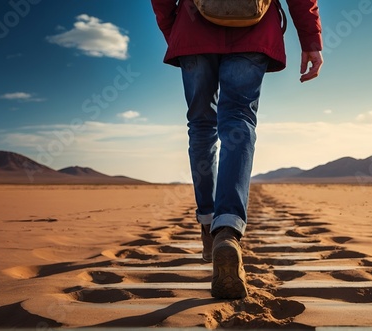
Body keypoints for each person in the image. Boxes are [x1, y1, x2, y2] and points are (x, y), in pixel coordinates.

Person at [151, 0, 323, 299]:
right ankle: (227, 230)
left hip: (193, 28)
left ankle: (208, 221)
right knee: (239, 121)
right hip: (253, 29)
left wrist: (174, 27)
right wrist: (311, 41)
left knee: (202, 127)